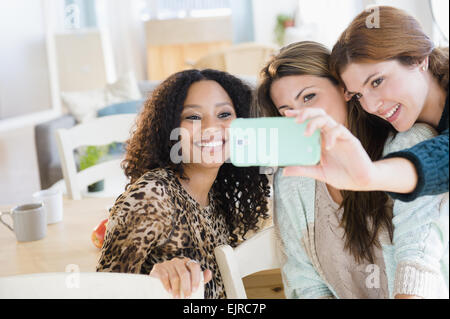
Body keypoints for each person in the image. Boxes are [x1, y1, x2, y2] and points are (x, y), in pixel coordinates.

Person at [255, 41, 448, 298]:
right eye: (287, 111)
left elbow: (417, 262)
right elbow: (306, 285)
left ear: (345, 89)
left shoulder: (407, 145)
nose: (301, 117)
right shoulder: (293, 179)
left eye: (309, 97)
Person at [96, 69, 271, 299]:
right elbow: (103, 289)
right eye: (193, 117)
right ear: (170, 128)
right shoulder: (153, 196)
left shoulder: (218, 195)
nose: (211, 127)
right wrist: (152, 279)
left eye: (224, 114)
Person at [282, 6, 448, 203]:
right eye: (358, 94)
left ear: (419, 59)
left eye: (377, 82)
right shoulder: (375, 120)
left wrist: (372, 176)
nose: (370, 105)